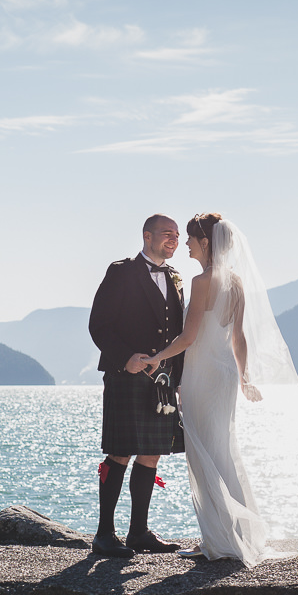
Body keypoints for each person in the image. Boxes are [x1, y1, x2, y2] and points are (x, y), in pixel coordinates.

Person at [144, 213, 298, 567]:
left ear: (205, 243)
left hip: (203, 376)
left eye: (189, 238)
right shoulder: (236, 282)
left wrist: (156, 359)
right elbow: (238, 337)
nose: (184, 244)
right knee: (223, 451)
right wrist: (244, 378)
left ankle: (217, 539)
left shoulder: (203, 282)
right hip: (226, 375)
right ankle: (236, 535)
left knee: (204, 454)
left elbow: (188, 337)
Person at [86, 214, 187, 558]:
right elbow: (99, 324)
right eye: (166, 234)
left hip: (162, 380)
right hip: (126, 375)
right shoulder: (122, 272)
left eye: (176, 234)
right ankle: (103, 534)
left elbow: (178, 333)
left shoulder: (175, 277)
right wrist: (124, 358)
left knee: (152, 453)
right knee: (120, 450)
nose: (173, 239)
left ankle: (139, 532)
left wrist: (179, 378)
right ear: (147, 236)